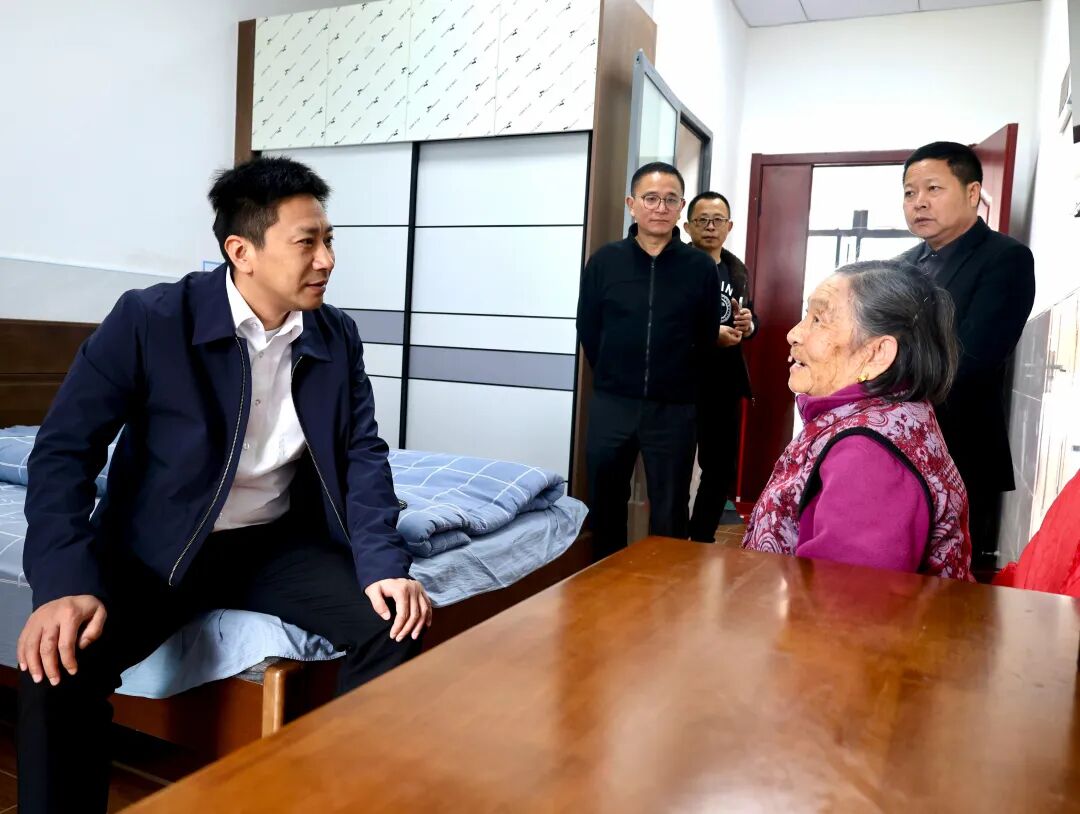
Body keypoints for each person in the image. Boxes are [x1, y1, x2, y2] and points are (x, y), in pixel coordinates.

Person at [17, 156, 432, 813]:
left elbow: (362, 452)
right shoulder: (151, 319)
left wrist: (383, 564)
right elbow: (63, 452)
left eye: (329, 240)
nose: (326, 260)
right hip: (157, 549)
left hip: (274, 545)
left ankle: (342, 795)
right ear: (241, 251)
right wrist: (64, 582)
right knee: (55, 669)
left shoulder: (335, 333)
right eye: (307, 242)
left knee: (398, 622)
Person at [743, 260, 973, 580]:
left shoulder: (868, 458)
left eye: (819, 319)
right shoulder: (891, 413)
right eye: (807, 315)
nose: (794, 334)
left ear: (876, 354)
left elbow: (846, 600)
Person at [897, 141, 1035, 575]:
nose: (919, 202)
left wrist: (889, 378)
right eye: (909, 192)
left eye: (933, 188)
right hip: (897, 445)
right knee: (891, 578)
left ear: (973, 192)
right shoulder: (898, 267)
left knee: (953, 589)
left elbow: (976, 358)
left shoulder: (1005, 259)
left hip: (962, 450)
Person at [577, 162, 720, 557]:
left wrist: (681, 382)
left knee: (671, 511)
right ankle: (606, 584)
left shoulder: (700, 268)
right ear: (632, 204)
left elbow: (706, 335)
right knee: (605, 505)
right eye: (651, 198)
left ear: (681, 207)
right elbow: (588, 327)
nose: (660, 207)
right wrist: (612, 374)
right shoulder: (605, 262)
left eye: (670, 199)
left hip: (674, 409)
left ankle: (666, 586)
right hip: (612, 404)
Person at [683, 191, 756, 542]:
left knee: (721, 468)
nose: (710, 227)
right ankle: (671, 541)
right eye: (702, 220)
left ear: (729, 226)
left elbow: (750, 315)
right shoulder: (678, 265)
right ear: (688, 227)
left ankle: (700, 538)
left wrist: (749, 324)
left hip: (725, 382)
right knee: (677, 468)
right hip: (684, 381)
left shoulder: (736, 268)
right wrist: (710, 336)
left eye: (717, 220)